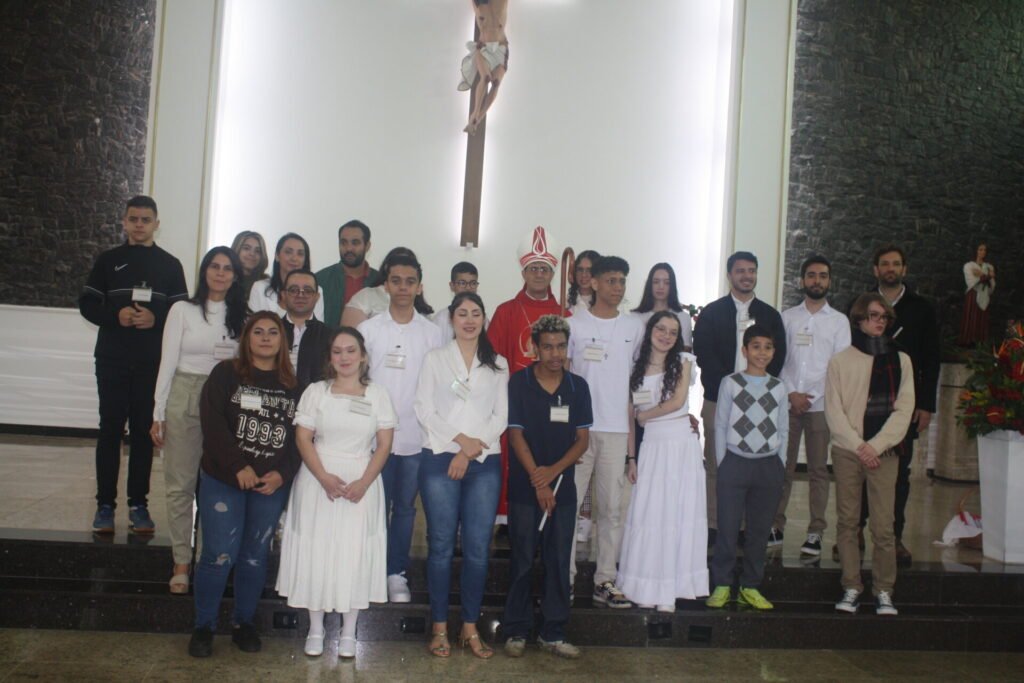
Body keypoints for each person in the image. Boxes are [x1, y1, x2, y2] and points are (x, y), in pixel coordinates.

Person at [276, 327, 396, 660]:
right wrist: (324, 478)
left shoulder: (378, 394)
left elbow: (384, 445)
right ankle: (316, 628)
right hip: (317, 480)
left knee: (353, 552)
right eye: (337, 351)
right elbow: (303, 439)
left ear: (364, 356)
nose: (344, 357)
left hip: (362, 480)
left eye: (351, 350)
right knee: (317, 550)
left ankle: (348, 631)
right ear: (330, 358)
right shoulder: (316, 391)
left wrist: (364, 482)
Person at [188, 312, 301, 658]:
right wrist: (238, 467)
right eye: (258, 332)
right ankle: (204, 627)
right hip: (224, 479)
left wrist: (282, 473)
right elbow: (213, 423)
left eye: (273, 332)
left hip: (270, 486)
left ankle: (244, 624)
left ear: (283, 341)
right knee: (219, 555)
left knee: (254, 557)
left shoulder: (294, 385)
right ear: (247, 338)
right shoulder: (225, 374)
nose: (265, 338)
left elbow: (301, 437)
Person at [79, 195, 189, 534]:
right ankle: (104, 506)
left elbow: (182, 315)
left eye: (146, 219)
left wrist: (155, 319)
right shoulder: (108, 260)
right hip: (112, 360)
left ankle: (138, 505)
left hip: (151, 365)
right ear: (124, 222)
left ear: (157, 224)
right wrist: (117, 315)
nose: (139, 225)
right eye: (133, 219)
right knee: (110, 431)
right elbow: (87, 304)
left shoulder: (171, 265)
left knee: (144, 435)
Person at [415, 292, 508, 659]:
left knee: (477, 550)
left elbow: (500, 416)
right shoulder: (435, 359)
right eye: (462, 313)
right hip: (440, 456)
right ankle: (439, 626)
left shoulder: (497, 364)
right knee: (439, 546)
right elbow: (424, 408)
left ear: (484, 319)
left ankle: (470, 625)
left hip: (483, 461)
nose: (469, 319)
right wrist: (460, 443)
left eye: (476, 313)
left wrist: (471, 450)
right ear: (451, 319)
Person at [151, 246, 245, 595]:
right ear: (204, 271)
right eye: (214, 267)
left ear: (235, 276)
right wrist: (157, 411)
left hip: (224, 401)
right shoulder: (182, 310)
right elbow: (167, 362)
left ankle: (209, 557)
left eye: (227, 268)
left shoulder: (241, 317)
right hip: (185, 394)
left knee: (216, 485)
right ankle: (180, 560)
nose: (220, 273)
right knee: (180, 485)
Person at [502, 315, 591, 660]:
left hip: (563, 488)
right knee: (522, 560)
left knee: (557, 559)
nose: (556, 353)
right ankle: (515, 630)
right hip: (526, 488)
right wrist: (537, 478)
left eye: (561, 346)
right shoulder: (519, 382)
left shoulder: (577, 387)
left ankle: (553, 632)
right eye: (548, 346)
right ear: (535, 349)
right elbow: (515, 434)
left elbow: (582, 441)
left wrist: (552, 473)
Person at [358, 254, 444, 604]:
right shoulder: (369, 329)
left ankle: (396, 572)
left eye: (410, 281)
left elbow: (439, 384)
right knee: (372, 505)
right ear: (386, 285)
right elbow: (359, 381)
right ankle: (369, 568)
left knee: (405, 508)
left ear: (419, 286)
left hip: (414, 435)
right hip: (373, 436)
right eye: (396, 280)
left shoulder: (433, 332)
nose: (403, 287)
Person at [828, 294, 914, 617]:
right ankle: (851, 586)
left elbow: (904, 411)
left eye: (885, 317)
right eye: (875, 316)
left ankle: (884, 591)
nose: (880, 321)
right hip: (849, 452)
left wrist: (874, 446)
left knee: (883, 527)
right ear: (860, 319)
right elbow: (834, 413)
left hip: (884, 453)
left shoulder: (900, 359)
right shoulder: (840, 361)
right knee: (848, 522)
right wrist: (859, 445)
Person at [567, 255, 645, 609]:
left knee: (611, 510)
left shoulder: (634, 327)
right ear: (593, 283)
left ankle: (605, 580)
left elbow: (638, 383)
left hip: (616, 430)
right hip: (579, 431)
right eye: (611, 280)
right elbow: (563, 378)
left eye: (622, 281)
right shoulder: (574, 324)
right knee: (569, 508)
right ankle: (563, 578)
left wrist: (633, 446)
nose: (617, 287)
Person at [853, 245, 939, 567]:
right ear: (875, 269)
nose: (890, 268)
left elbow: (931, 358)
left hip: (904, 407)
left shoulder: (922, 309)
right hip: (864, 404)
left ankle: (895, 537)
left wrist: (926, 404)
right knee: (861, 470)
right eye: (884, 264)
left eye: (896, 264)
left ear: (904, 269)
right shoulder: (861, 305)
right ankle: (857, 531)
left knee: (899, 476)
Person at [692, 251, 786, 545]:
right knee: (717, 462)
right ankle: (714, 524)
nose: (747, 276)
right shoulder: (712, 312)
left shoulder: (770, 315)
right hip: (718, 399)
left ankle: (747, 527)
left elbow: (778, 355)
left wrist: (752, 389)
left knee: (752, 464)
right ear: (729, 275)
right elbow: (703, 353)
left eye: (752, 270)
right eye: (740, 271)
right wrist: (731, 387)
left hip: (761, 402)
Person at [617, 312, 707, 613]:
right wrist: (631, 457)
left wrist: (645, 415)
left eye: (673, 331)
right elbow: (629, 418)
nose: (666, 335)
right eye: (661, 329)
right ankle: (647, 587)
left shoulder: (682, 360)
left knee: (677, 515)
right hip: (652, 446)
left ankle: (674, 587)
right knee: (651, 515)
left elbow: (678, 402)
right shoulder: (634, 367)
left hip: (680, 443)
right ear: (650, 330)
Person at [705, 324, 788, 611]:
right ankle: (723, 584)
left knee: (758, 531)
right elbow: (720, 424)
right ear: (744, 350)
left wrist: (780, 462)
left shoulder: (778, 387)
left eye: (767, 347)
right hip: (735, 464)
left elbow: (783, 428)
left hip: (768, 466)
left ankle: (750, 586)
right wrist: (723, 462)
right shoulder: (731, 383)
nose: (761, 352)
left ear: (774, 352)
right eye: (755, 346)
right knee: (727, 529)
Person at [771, 255, 850, 556]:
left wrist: (810, 397)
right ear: (802, 280)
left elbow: (838, 366)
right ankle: (775, 524)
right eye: (812, 275)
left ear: (829, 281)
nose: (817, 280)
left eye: (823, 275)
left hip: (820, 407)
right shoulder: (787, 317)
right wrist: (792, 394)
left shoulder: (839, 321)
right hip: (787, 404)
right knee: (783, 467)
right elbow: (778, 360)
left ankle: (816, 531)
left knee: (818, 470)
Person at [488, 227, 564, 526]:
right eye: (533, 268)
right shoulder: (506, 311)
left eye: (544, 269)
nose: (539, 274)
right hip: (517, 403)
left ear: (551, 273)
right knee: (513, 459)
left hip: (553, 403)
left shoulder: (563, 313)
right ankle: (508, 520)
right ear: (524, 271)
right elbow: (493, 361)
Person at [342, 247, 432, 327]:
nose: (403, 286)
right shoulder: (366, 296)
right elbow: (350, 338)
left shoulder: (423, 310)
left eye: (409, 281)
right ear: (386, 268)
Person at [248, 232, 325, 321]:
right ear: (277, 256)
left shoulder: (317, 290)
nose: (294, 258)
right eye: (288, 252)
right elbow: (253, 328)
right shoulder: (259, 287)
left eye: (300, 254)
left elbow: (318, 328)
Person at [315, 219, 377, 328]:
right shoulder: (320, 280)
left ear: (367, 246)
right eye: (343, 242)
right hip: (328, 344)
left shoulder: (380, 281)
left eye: (355, 242)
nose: (349, 248)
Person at [459, 0, 509, 134]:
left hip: (500, 48)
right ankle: (475, 113)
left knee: (496, 83)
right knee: (486, 78)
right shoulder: (477, 3)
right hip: (484, 48)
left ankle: (478, 118)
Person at [281, 269, 333, 393]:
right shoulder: (271, 332)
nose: (300, 295)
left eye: (308, 291)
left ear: (317, 297)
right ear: (283, 295)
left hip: (314, 404)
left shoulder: (329, 335)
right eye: (294, 290)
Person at [631, 263, 693, 350]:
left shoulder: (683, 317)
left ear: (672, 286)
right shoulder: (635, 317)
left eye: (667, 283)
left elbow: (685, 352)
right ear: (649, 285)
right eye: (656, 282)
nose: (661, 287)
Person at [957, 241, 996, 347]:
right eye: (980, 249)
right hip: (973, 295)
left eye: (984, 250)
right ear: (976, 251)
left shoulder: (988, 267)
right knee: (972, 317)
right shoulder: (969, 266)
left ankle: (980, 342)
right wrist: (987, 276)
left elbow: (991, 283)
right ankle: (968, 341)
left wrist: (983, 275)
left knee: (981, 318)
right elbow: (971, 281)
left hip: (984, 295)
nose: (983, 252)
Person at [432, 261, 480, 341]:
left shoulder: (482, 319)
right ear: (452, 286)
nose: (468, 288)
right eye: (462, 283)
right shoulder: (441, 319)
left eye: (473, 283)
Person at [230, 230, 269, 300]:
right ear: (236, 249)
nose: (252, 254)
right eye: (246, 248)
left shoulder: (267, 285)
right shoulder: (225, 280)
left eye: (257, 251)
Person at [567, 249, 600, 315]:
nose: (584, 275)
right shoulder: (565, 302)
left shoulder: (606, 301)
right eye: (580, 269)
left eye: (589, 270)